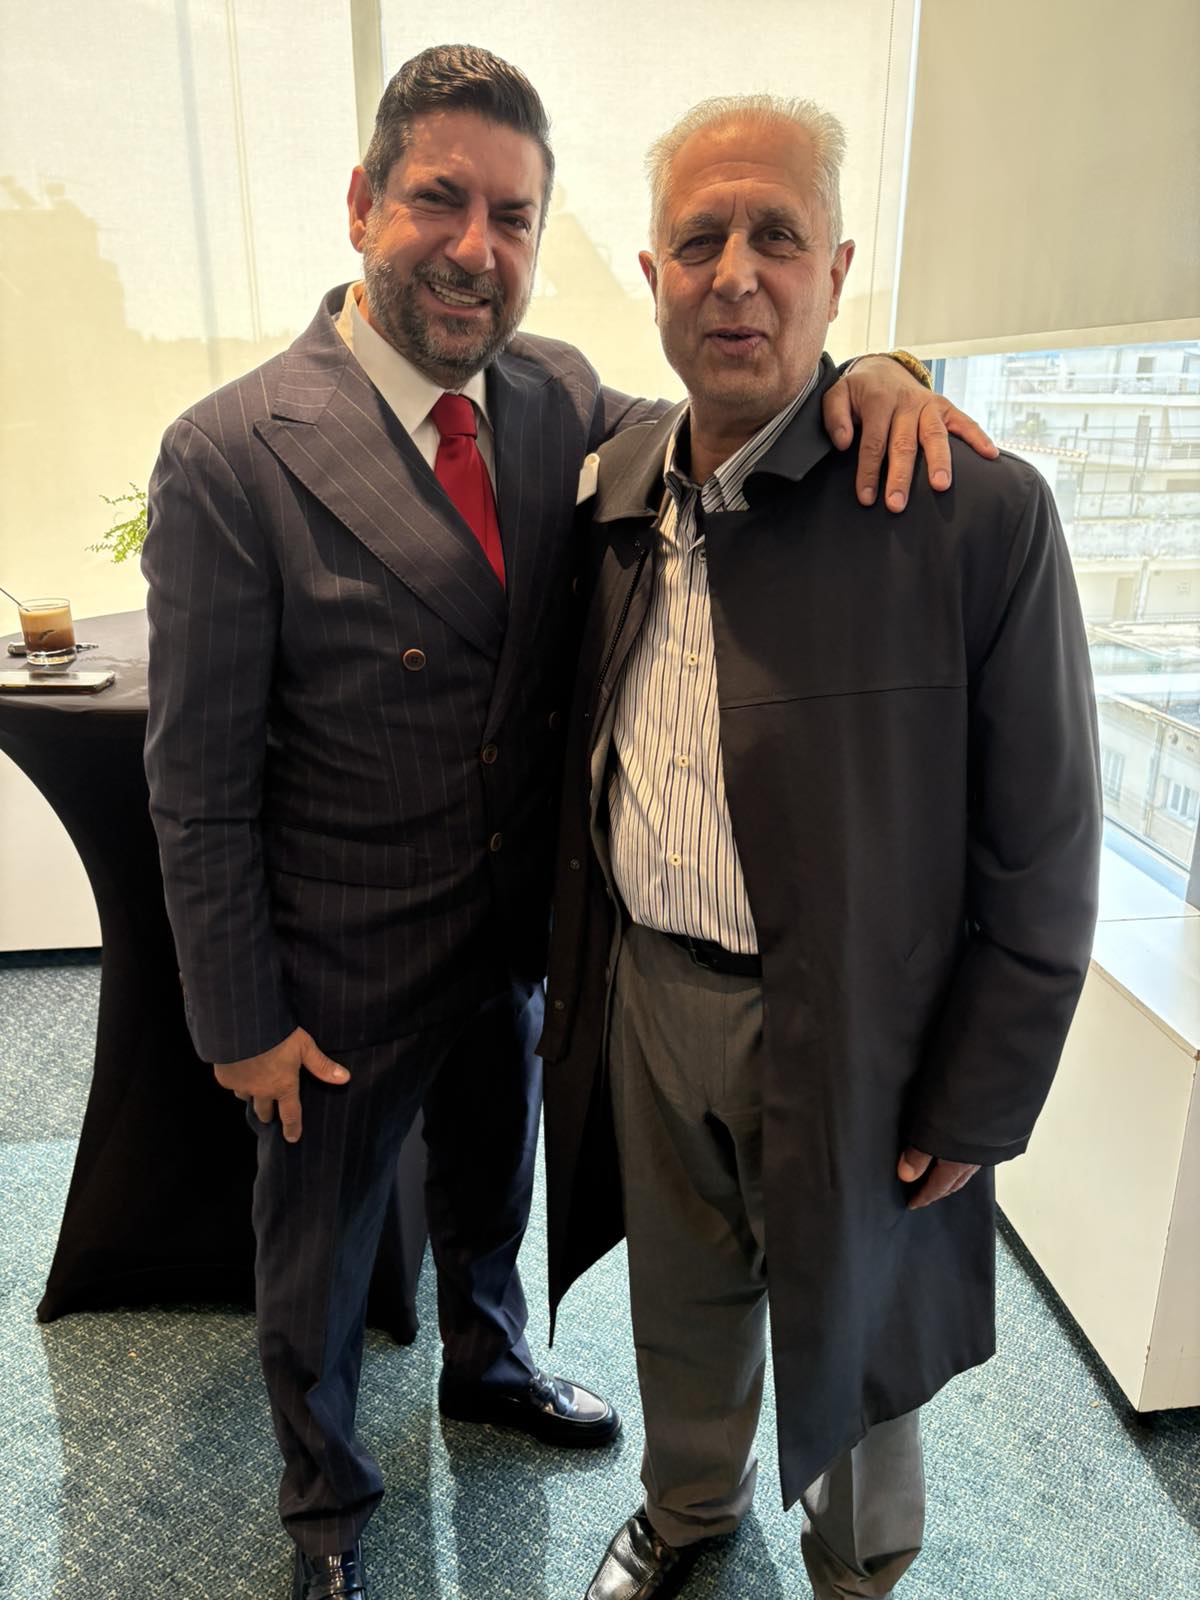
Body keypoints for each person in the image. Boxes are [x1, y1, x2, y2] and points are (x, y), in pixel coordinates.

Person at [142, 46, 994, 1600]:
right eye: (439, 200)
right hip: (335, 970)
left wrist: (871, 372)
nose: (477, 247)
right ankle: (323, 1506)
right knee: (319, 1257)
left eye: (516, 215)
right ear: (361, 203)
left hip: (520, 938)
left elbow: (738, 407)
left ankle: (492, 1362)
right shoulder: (229, 453)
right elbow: (194, 781)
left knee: (494, 1192)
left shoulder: (556, 402)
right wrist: (238, 1019)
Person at [540, 92, 1102, 1600]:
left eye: (778, 237)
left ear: (840, 271)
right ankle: (688, 1509)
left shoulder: (967, 513)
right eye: (699, 241)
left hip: (858, 1018)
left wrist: (983, 1097)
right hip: (651, 991)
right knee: (682, 1296)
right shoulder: (611, 486)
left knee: (854, 1320)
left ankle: (860, 1566)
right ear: (653, 276)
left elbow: (1046, 851)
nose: (736, 274)